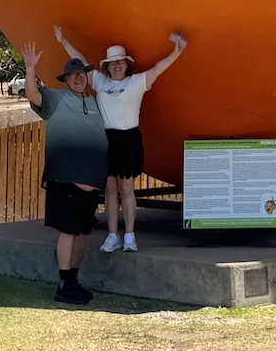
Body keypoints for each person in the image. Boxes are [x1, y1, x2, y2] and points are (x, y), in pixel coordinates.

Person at [55, 26, 188, 252]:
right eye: (112, 63)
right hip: (106, 139)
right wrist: (63, 41)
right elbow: (81, 60)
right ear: (106, 66)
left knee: (126, 188)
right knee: (109, 188)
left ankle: (130, 235)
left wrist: (176, 52)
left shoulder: (136, 82)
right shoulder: (99, 82)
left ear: (127, 65)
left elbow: (158, 69)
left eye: (121, 62)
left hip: (128, 139)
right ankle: (112, 235)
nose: (117, 66)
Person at [20, 39, 108, 305]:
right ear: (66, 80)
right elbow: (33, 95)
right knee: (69, 233)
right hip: (67, 181)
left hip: (92, 184)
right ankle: (63, 284)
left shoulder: (95, 102)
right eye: (73, 76)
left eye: (82, 74)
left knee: (82, 234)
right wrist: (30, 68)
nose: (79, 79)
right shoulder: (56, 99)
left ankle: (73, 280)